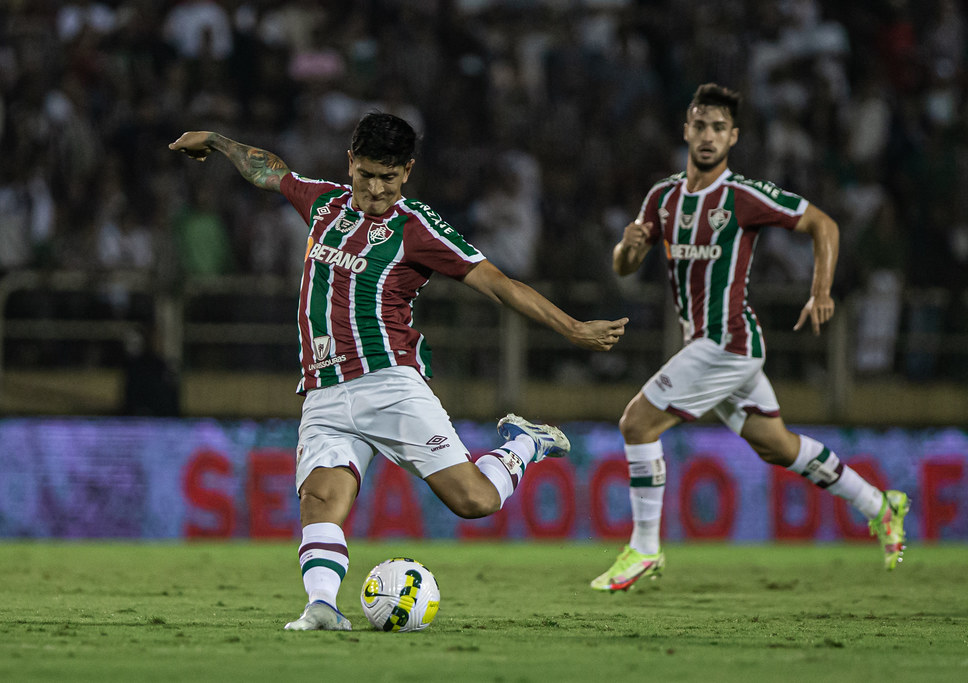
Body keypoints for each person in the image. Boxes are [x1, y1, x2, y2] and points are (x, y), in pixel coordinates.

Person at [170, 112, 628, 630]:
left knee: (474, 500)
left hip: (389, 384)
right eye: (366, 174)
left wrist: (571, 328)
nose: (376, 189)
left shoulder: (417, 228)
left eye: (389, 177)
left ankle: (524, 443)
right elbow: (269, 171)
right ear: (350, 163)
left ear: (407, 172)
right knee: (321, 499)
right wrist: (217, 141)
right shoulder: (323, 203)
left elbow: (498, 283)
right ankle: (321, 607)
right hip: (323, 390)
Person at [590, 84, 909, 592]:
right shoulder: (663, 198)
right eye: (701, 125)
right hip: (710, 345)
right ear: (687, 130)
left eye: (719, 127)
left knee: (637, 424)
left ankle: (645, 549)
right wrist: (626, 249)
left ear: (733, 137)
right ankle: (879, 503)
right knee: (778, 446)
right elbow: (624, 266)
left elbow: (823, 225)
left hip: (727, 341)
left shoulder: (743, 197)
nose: (709, 135)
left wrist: (820, 291)